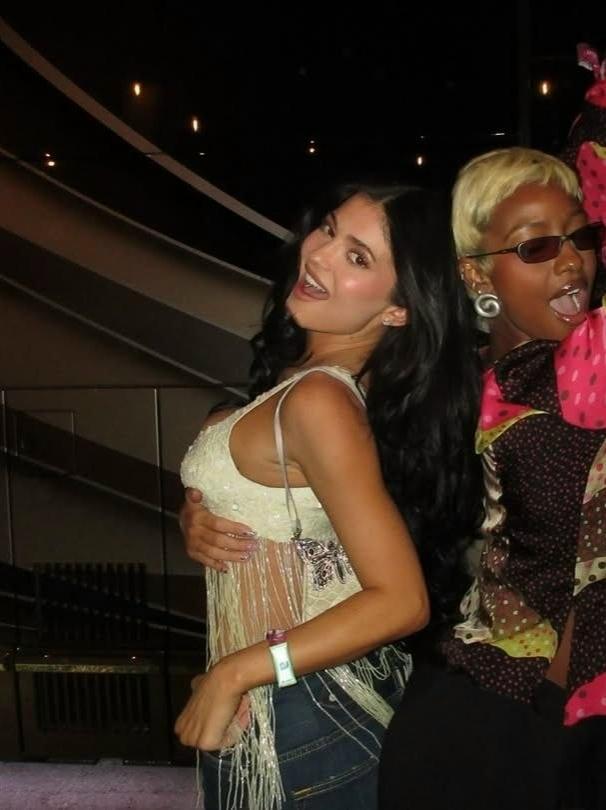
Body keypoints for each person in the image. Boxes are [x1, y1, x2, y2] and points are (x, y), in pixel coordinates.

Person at [175, 182, 482, 810]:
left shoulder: (320, 401)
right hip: (291, 705)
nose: (318, 254)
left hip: (306, 710)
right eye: (330, 230)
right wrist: (200, 510)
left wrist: (237, 672)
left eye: (357, 257)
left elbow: (402, 602)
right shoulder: (314, 385)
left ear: (399, 310)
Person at [379, 147, 606, 810]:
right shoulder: (459, 382)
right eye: (536, 246)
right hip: (487, 724)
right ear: (477, 271)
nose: (572, 261)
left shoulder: (583, 368)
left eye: (581, 236)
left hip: (557, 723)